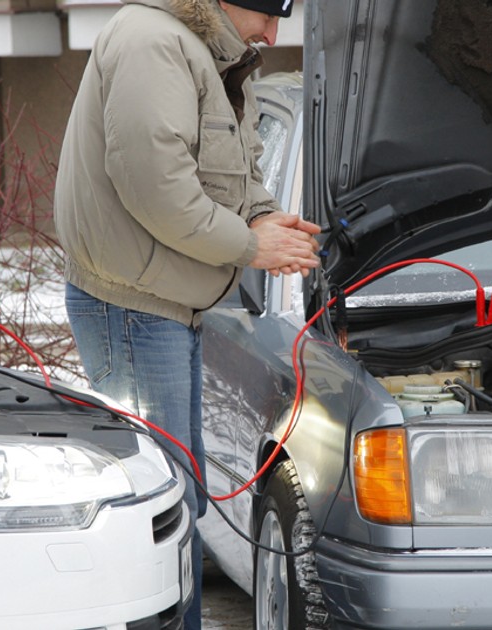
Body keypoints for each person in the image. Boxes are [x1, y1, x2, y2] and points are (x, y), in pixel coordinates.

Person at [52, 0, 320, 627]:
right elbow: (156, 186)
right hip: (132, 308)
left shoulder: (205, 52)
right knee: (157, 509)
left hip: (165, 306)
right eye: (267, 13)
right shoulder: (153, 43)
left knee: (179, 495)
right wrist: (252, 246)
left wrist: (261, 214)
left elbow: (238, 159)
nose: (273, 33)